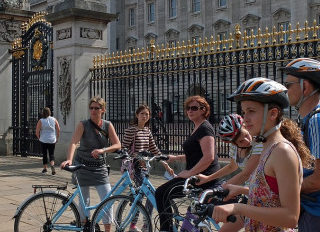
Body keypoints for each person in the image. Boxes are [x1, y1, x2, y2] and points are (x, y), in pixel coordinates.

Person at [211, 77, 314, 231]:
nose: (245, 119)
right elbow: (270, 196)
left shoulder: (282, 152)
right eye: (244, 112)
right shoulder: (267, 146)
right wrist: (239, 190)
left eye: (251, 111)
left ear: (273, 114)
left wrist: (238, 208)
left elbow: (290, 217)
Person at [279, 58, 320, 231]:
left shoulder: (318, 121)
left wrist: (283, 190)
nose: (285, 89)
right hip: (316, 211)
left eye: (289, 85)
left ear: (305, 87)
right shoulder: (314, 119)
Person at [155, 95, 222, 232]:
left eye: (194, 108)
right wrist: (176, 158)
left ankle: (165, 229)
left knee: (161, 193)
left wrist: (189, 173)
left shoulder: (205, 128)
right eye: (188, 108)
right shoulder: (198, 127)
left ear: (203, 110)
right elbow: (195, 155)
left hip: (202, 178)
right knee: (189, 213)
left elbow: (208, 157)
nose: (190, 111)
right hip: (196, 176)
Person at [60, 96, 121, 232]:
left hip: (100, 167)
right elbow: (74, 142)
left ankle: (107, 230)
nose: (93, 110)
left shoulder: (107, 125)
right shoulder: (83, 124)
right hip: (82, 166)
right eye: (91, 108)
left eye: (96, 108)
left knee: (108, 200)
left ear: (102, 110)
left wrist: (103, 150)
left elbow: (117, 144)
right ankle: (85, 227)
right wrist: (69, 160)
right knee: (84, 201)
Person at [195, 113, 261, 232]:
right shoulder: (234, 147)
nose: (246, 141)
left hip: (261, 197)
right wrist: (207, 178)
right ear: (233, 143)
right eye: (241, 141)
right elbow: (232, 166)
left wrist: (218, 190)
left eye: (246, 135)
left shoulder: (258, 144)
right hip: (249, 195)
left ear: (245, 127)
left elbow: (246, 173)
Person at [121, 104, 173, 232]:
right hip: (135, 167)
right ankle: (133, 225)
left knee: (149, 195)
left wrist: (166, 165)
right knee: (145, 195)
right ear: (137, 115)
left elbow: (154, 149)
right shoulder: (131, 130)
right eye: (142, 113)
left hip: (145, 167)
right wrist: (130, 163)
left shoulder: (147, 131)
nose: (145, 116)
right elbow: (123, 149)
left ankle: (145, 223)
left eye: (147, 114)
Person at [36, 107, 59, 175]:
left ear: (43, 113)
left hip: (44, 139)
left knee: (45, 154)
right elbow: (58, 129)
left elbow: (37, 130)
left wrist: (39, 138)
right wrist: (57, 137)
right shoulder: (54, 119)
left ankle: (45, 168)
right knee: (51, 154)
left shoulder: (41, 121)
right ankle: (52, 164)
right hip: (52, 139)